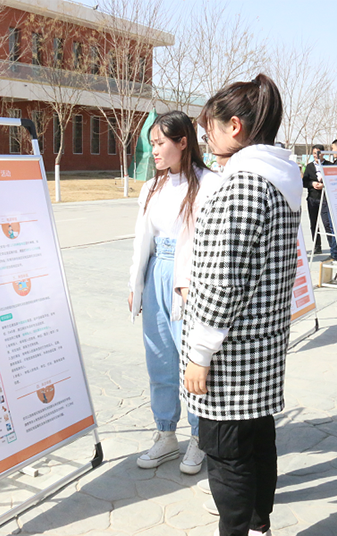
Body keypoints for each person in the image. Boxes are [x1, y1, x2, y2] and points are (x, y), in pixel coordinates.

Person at [181, 73, 301, 536]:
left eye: (209, 128)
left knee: (227, 454)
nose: (205, 139)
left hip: (230, 354)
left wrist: (200, 352)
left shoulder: (242, 185)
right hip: (263, 345)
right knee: (258, 441)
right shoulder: (280, 179)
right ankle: (259, 525)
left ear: (235, 127)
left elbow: (223, 282)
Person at [128, 110, 222, 475]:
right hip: (157, 274)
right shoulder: (152, 187)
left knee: (190, 360)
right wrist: (136, 285)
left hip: (189, 280)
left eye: (160, 143)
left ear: (183, 142)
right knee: (159, 358)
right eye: (151, 144)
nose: (154, 151)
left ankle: (199, 438)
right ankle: (166, 433)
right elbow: (142, 242)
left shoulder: (209, 184)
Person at [301, 144, 326, 253]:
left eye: (318, 153)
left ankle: (334, 247)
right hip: (312, 198)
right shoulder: (309, 167)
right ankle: (317, 246)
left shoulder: (329, 165)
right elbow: (304, 182)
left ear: (323, 153)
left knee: (328, 224)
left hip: (325, 199)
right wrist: (312, 183)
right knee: (314, 223)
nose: (316, 155)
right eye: (314, 153)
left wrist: (324, 185)